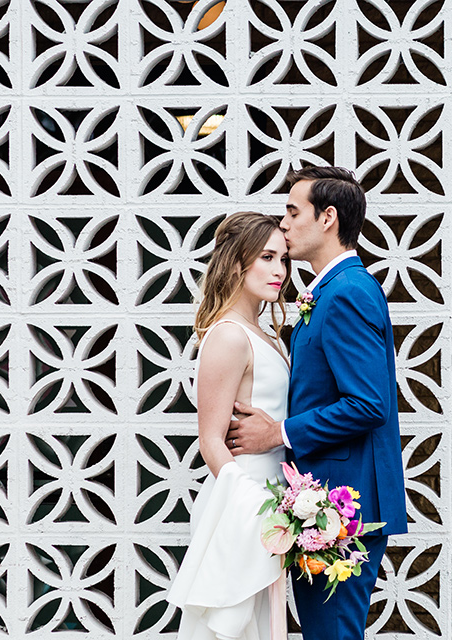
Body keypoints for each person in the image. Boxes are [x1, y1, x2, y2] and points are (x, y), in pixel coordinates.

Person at [225, 166, 407, 639]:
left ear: (327, 218)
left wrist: (279, 433)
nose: (283, 224)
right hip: (322, 505)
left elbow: (370, 404)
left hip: (342, 508)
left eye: (292, 211)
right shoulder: (327, 290)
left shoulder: (346, 293)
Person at [167, 211, 292, 640]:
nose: (280, 270)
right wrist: (255, 507)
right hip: (243, 505)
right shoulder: (228, 336)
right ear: (237, 261)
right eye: (267, 257)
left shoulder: (265, 334)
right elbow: (211, 441)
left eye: (284, 259)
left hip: (272, 503)